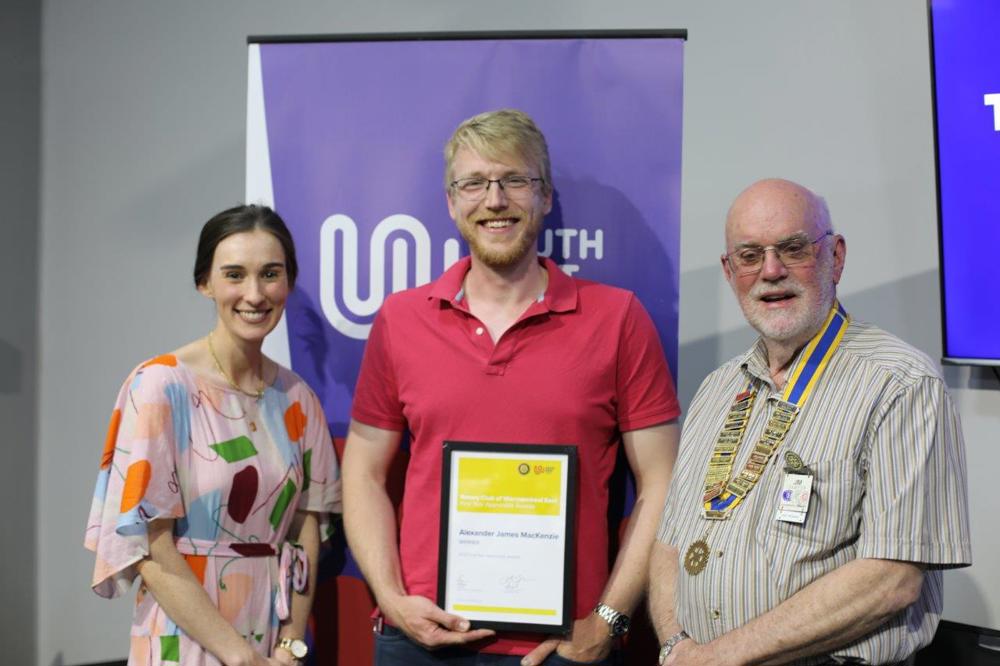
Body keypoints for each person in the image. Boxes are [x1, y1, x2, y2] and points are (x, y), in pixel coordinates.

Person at [342, 109, 681, 665]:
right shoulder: (401, 320)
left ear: (544, 196)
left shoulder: (617, 317)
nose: (494, 200)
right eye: (473, 183)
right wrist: (392, 599)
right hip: (421, 640)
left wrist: (608, 619)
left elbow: (662, 482)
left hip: (564, 648)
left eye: (514, 181)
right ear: (451, 202)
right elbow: (361, 470)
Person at [648, 179, 971, 666]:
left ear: (835, 257)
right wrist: (676, 647)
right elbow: (669, 544)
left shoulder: (900, 384)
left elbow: (892, 579)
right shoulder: (717, 388)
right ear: (729, 269)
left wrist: (720, 658)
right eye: (750, 255)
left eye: (793, 249)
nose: (771, 272)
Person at [85, 204, 342, 666]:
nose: (255, 293)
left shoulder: (299, 399)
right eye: (234, 275)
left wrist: (289, 645)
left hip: (272, 635)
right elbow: (149, 543)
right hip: (183, 635)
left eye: (270, 274)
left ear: (288, 283)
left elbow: (307, 526)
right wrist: (238, 656)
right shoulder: (161, 385)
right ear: (205, 283)